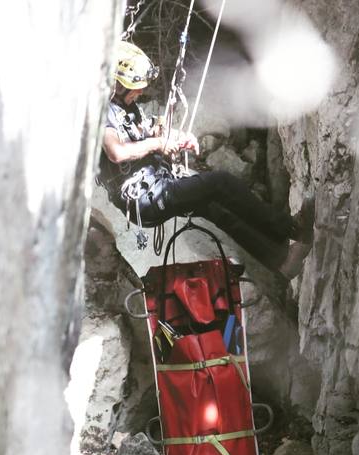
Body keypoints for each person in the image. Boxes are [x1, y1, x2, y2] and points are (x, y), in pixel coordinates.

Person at [100, 41, 314, 278]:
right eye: (135, 88)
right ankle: (293, 228)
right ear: (118, 85)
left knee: (214, 207)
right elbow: (116, 152)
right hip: (145, 198)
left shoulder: (125, 108)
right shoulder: (101, 112)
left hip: (155, 187)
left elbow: (148, 131)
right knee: (219, 182)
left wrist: (178, 138)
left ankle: (282, 261)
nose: (140, 92)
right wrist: (159, 144)